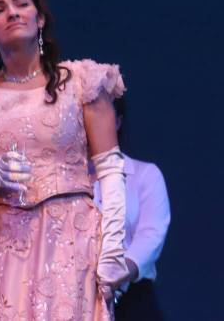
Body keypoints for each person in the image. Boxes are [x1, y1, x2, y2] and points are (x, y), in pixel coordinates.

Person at [0, 0, 130, 320]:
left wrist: (111, 249)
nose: (12, 13)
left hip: (70, 242)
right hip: (1, 245)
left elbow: (109, 170)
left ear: (39, 17)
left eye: (21, 4)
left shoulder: (82, 82)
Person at [93, 97, 171, 320]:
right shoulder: (70, 179)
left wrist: (118, 272)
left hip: (131, 300)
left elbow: (151, 235)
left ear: (117, 121)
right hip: (78, 298)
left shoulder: (145, 175)